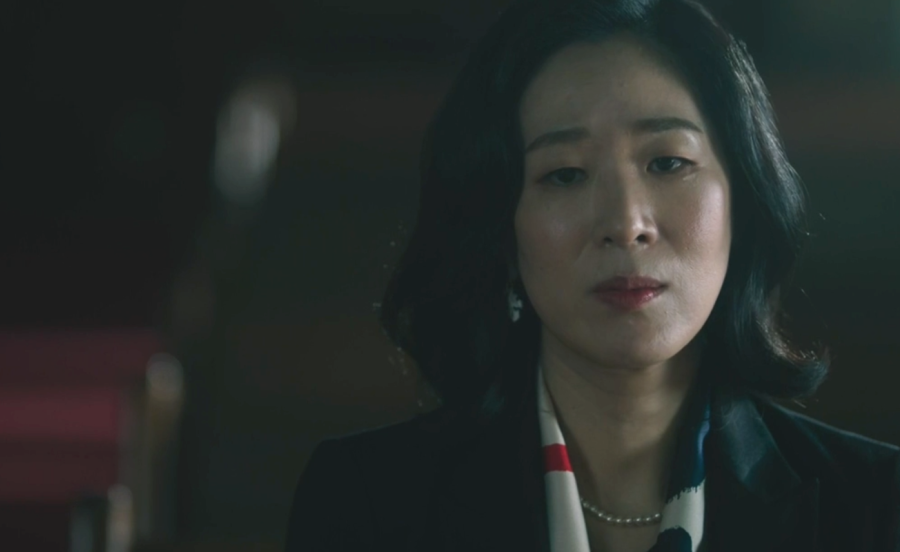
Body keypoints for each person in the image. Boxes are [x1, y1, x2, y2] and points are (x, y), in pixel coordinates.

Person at [284, 0, 900, 550]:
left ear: (742, 198)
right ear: (499, 226)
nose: (626, 224)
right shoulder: (366, 503)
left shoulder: (874, 506)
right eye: (565, 174)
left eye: (668, 162)